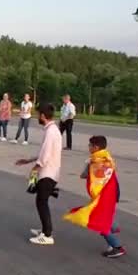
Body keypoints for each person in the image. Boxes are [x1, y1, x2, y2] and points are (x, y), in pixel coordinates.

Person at [64, 135, 125, 258]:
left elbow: (86, 176)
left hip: (104, 195)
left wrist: (88, 165)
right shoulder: (105, 157)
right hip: (110, 192)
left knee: (99, 221)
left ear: (95, 147)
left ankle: (117, 247)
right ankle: (112, 226)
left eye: (90, 145)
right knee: (103, 217)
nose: (88, 147)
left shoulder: (97, 161)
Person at [16, 103, 62, 245]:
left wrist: (35, 168)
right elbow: (44, 152)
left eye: (38, 115)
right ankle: (44, 229)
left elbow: (45, 154)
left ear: (43, 115)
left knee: (41, 202)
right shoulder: (53, 129)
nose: (37, 117)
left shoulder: (50, 131)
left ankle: (47, 235)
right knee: (41, 201)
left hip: (48, 172)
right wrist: (29, 160)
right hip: (50, 171)